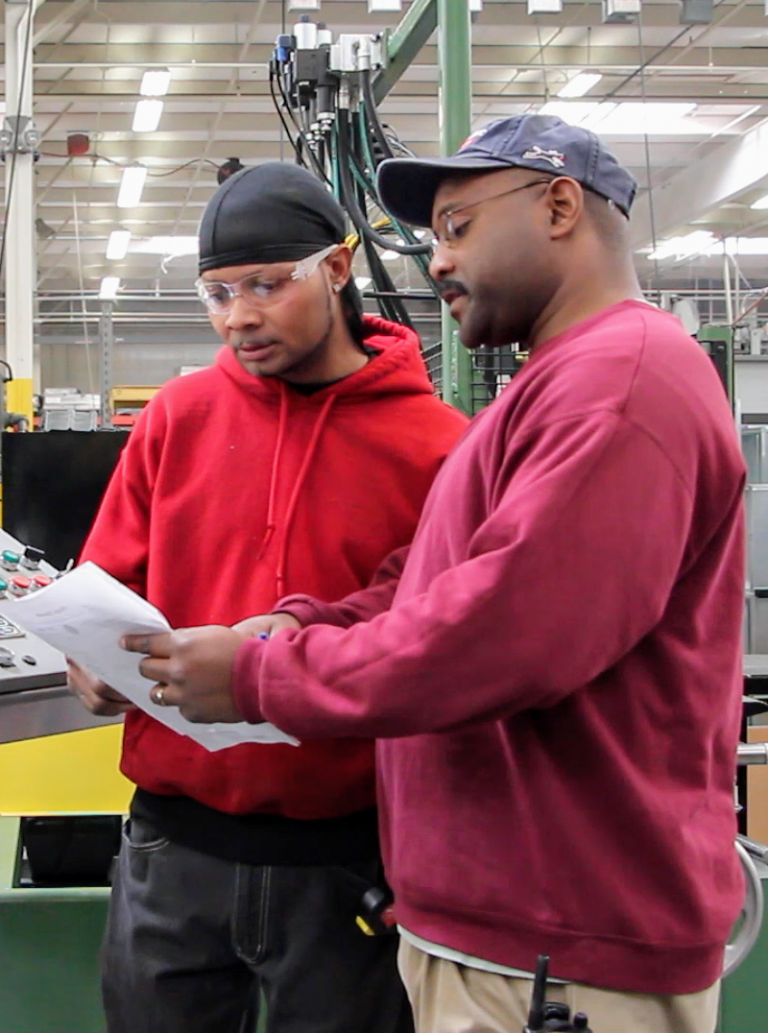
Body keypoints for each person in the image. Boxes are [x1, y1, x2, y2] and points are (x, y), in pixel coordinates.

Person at [122, 116, 746, 1033]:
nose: (436, 262)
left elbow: (496, 635)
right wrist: (303, 626)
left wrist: (260, 675)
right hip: (506, 930)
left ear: (561, 205)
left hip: (560, 941)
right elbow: (436, 579)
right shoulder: (557, 383)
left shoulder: (619, 383)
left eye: (457, 229)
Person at [68, 161, 468, 1033]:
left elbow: (436, 641)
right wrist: (85, 658)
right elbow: (109, 580)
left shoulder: (439, 448)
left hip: (345, 857)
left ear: (338, 265)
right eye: (217, 293)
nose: (238, 316)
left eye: (265, 285)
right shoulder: (177, 416)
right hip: (172, 844)